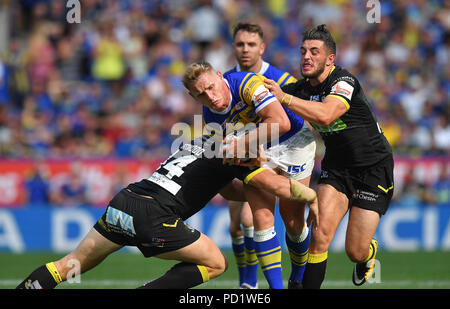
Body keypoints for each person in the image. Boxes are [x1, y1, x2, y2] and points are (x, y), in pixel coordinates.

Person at [16, 134, 319, 289]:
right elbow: (279, 187)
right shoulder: (235, 153)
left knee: (69, 265)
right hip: (154, 217)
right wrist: (310, 195)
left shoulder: (199, 143)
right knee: (216, 263)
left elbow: (226, 188)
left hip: (125, 201)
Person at [264, 24, 394, 288]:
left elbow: (326, 114)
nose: (306, 57)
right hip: (336, 168)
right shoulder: (299, 90)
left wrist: (284, 99)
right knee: (319, 235)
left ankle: (367, 254)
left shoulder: (344, 81)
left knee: (354, 251)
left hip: (373, 169)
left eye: (314, 51)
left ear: (330, 59)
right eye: (303, 51)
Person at [183, 61, 316, 289]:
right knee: (261, 220)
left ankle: (298, 277)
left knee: (293, 220)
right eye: (201, 94)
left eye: (211, 87)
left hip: (294, 142)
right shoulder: (211, 120)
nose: (211, 97)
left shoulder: (245, 83)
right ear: (193, 97)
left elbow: (281, 123)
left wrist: (242, 143)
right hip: (258, 151)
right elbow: (226, 168)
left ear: (219, 75)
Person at [220, 22, 306, 289]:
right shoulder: (224, 83)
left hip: (282, 152)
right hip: (243, 156)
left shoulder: (283, 81)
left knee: (288, 222)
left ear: (262, 48)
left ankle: (272, 282)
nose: (245, 50)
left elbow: (302, 119)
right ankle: (248, 284)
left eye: (251, 45)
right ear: (233, 47)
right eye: (240, 44)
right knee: (237, 226)